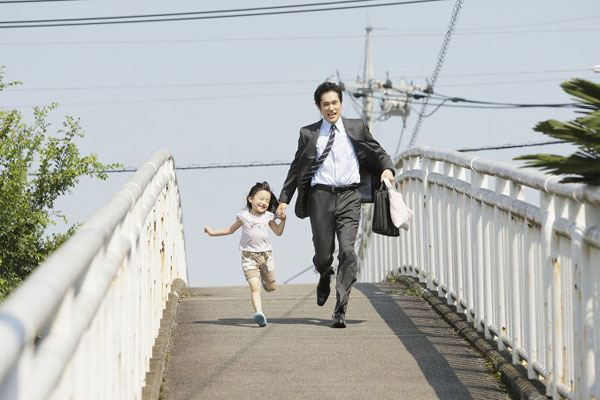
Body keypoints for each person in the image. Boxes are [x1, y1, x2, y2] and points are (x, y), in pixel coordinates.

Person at [277, 81, 394, 328]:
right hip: (320, 197)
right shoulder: (308, 134)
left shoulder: (357, 127)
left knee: (348, 251)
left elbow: (380, 153)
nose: (331, 108)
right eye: (326, 104)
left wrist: (387, 170)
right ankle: (323, 273)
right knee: (323, 254)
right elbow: (296, 168)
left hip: (350, 196)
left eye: (335, 103)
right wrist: (284, 200)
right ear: (319, 107)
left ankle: (341, 307)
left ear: (341, 103)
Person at [205, 181, 286, 327]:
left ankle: (265, 282)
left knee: (271, 287)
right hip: (249, 257)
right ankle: (259, 313)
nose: (264, 202)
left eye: (267, 201)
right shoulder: (244, 217)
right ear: (251, 199)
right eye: (261, 199)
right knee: (255, 287)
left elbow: (278, 232)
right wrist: (212, 233)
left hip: (266, 256)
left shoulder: (268, 216)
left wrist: (283, 221)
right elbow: (230, 230)